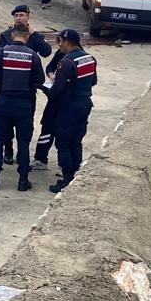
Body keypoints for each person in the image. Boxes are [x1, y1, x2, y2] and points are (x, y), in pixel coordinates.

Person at [0, 23, 45, 192]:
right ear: (27, 37)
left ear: (12, 36)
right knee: (23, 143)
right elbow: (40, 80)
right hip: (24, 104)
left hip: (3, 101)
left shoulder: (1, 53)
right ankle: (23, 181)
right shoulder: (33, 56)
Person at [0, 5, 51, 166]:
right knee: (6, 125)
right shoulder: (6, 35)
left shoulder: (33, 36)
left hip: (27, 91)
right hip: (7, 87)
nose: (19, 18)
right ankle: (8, 151)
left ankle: (23, 154)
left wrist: (35, 33)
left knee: (26, 124)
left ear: (28, 17)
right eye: (16, 15)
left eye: (22, 15)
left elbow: (46, 51)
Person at [48, 29, 98, 193]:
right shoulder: (90, 58)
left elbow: (56, 90)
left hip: (69, 107)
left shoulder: (67, 62)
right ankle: (76, 173)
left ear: (66, 41)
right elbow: (94, 81)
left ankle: (67, 178)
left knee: (63, 142)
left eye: (60, 41)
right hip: (85, 105)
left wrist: (45, 88)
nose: (59, 45)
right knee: (76, 140)